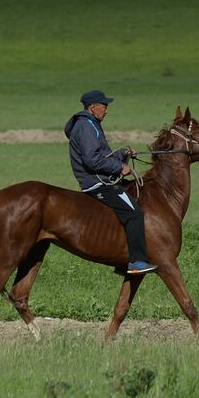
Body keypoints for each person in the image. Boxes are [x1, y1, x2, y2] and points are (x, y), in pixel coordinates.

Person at [65, 90, 156, 274]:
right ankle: (136, 262)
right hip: (96, 183)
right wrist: (119, 168)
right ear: (92, 107)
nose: (107, 110)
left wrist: (123, 154)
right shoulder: (86, 127)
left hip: (101, 179)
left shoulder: (91, 124)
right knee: (134, 213)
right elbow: (92, 160)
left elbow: (101, 156)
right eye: (104, 106)